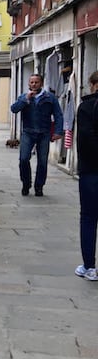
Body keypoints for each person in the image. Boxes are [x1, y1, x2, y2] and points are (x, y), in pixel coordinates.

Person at [10, 73, 64, 196]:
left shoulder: (50, 97)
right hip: (28, 132)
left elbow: (58, 115)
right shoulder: (24, 97)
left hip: (44, 133)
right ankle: (26, 183)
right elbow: (14, 109)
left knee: (42, 161)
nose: (34, 85)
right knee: (23, 159)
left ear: (41, 83)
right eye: (31, 82)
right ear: (29, 84)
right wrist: (25, 100)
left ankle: (39, 186)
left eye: (36, 82)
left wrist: (58, 131)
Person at [75, 70, 98, 281]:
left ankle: (90, 266)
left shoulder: (87, 107)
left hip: (91, 170)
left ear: (92, 84)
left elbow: (84, 139)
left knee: (89, 217)